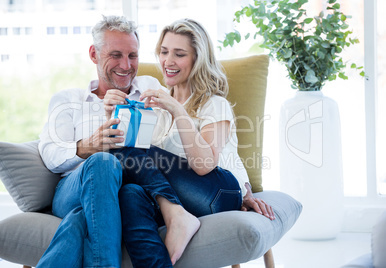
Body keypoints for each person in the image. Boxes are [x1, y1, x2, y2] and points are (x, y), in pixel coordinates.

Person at [103, 18, 275, 267]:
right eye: (163, 52)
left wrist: (178, 111)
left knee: (132, 152)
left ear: (197, 59)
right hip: (181, 197)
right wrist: (111, 115)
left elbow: (204, 165)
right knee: (130, 193)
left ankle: (175, 214)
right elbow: (137, 166)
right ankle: (171, 228)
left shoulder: (214, 104)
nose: (168, 61)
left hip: (217, 192)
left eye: (179, 54)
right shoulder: (156, 108)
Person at [36, 15, 168, 268]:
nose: (126, 65)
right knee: (102, 162)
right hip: (74, 189)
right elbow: (50, 156)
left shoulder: (150, 89)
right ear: (94, 54)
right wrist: (89, 146)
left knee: (80, 219)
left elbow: (183, 135)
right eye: (116, 55)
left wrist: (242, 186)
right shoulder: (68, 100)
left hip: (130, 193)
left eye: (133, 55)